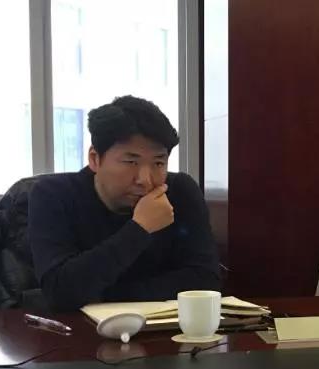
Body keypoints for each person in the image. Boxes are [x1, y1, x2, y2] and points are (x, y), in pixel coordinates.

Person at [29, 96, 221, 311]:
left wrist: (103, 294)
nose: (145, 180)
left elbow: (206, 281)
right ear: (95, 158)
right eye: (131, 162)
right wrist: (139, 229)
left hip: (164, 328)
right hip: (79, 330)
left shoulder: (180, 192)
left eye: (159, 163)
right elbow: (60, 292)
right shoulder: (53, 195)